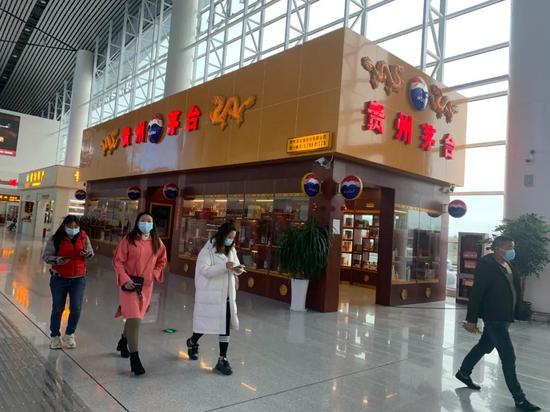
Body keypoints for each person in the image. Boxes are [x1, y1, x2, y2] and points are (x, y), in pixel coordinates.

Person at [456, 235, 541, 412]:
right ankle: (520, 399)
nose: (512, 250)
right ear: (498, 248)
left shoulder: (508, 264)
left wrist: (518, 310)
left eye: (513, 246)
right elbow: (477, 292)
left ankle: (464, 373)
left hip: (505, 316)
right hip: (494, 316)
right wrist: (471, 319)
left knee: (484, 346)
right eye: (509, 247)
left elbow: (513, 289)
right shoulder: (486, 265)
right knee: (508, 357)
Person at [113, 212, 167, 376]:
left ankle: (123, 341)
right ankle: (135, 359)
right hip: (129, 284)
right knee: (135, 319)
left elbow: (162, 260)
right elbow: (118, 261)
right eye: (143, 220)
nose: (146, 223)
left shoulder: (157, 242)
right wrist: (125, 279)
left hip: (146, 286)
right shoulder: (128, 240)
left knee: (133, 318)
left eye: (149, 221)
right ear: (137, 223)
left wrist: (154, 274)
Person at [186, 222, 244, 375]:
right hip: (211, 295)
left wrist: (237, 270)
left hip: (226, 295)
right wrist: (225, 267)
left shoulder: (231, 250)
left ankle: (222, 359)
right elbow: (204, 270)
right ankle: (192, 341)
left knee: (224, 327)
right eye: (229, 236)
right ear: (222, 235)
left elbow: (235, 265)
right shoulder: (208, 250)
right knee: (207, 324)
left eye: (233, 237)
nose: (231, 240)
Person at [42, 215, 94, 350]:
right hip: (59, 278)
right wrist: (58, 260)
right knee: (58, 308)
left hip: (78, 279)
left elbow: (91, 253)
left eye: (76, 227)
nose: (73, 229)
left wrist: (86, 254)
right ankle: (55, 336)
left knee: (76, 308)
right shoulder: (56, 239)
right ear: (64, 226)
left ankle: (69, 334)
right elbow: (46, 256)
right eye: (70, 226)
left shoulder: (83, 237)